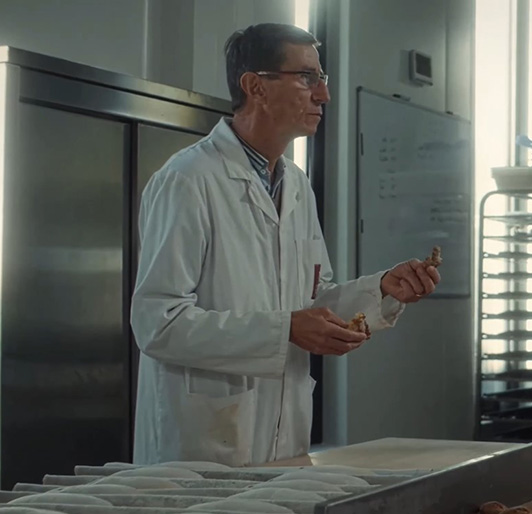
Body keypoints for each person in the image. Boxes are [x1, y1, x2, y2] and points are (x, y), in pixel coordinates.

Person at [130, 23, 440, 466]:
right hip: (201, 446)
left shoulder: (295, 184)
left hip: (283, 442)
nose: (323, 96)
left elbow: (313, 300)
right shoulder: (188, 180)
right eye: (307, 78)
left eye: (322, 79)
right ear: (255, 86)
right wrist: (284, 329)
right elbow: (157, 323)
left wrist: (383, 289)